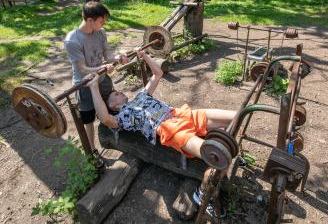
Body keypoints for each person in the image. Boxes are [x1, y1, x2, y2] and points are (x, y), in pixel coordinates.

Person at [86, 49, 236, 218]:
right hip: (170, 128)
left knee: (237, 117)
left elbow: (158, 73)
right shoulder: (124, 116)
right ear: (112, 106)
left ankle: (227, 143)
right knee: (220, 156)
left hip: (181, 114)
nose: (119, 91)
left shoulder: (141, 96)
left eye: (118, 91)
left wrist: (144, 56)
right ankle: (201, 194)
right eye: (115, 94)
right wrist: (93, 88)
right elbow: (105, 119)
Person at [64, 1, 128, 149]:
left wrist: (118, 57)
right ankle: (92, 151)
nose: (104, 24)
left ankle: (118, 139)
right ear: (90, 20)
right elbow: (82, 68)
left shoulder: (100, 32)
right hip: (84, 84)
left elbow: (108, 55)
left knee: (111, 109)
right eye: (101, 21)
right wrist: (103, 67)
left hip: (103, 80)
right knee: (88, 121)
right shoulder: (72, 40)